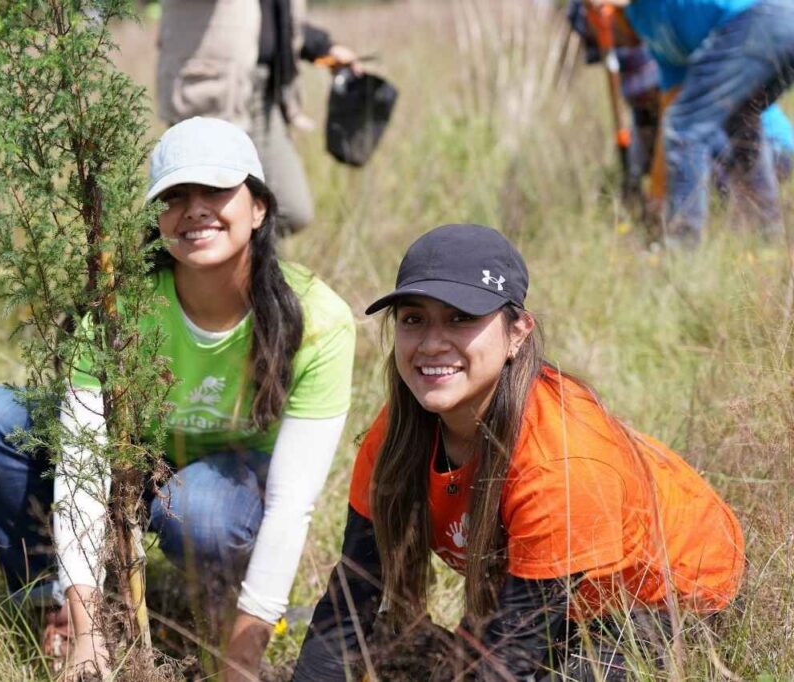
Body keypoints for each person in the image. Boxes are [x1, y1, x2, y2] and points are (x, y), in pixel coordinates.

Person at [0, 117, 356, 680]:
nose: (194, 209)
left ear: (259, 207)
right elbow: (85, 465)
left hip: (225, 489)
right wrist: (91, 631)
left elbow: (291, 504)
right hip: (129, 464)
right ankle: (59, 609)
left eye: (216, 190)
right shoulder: (119, 308)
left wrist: (244, 658)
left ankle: (215, 613)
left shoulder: (319, 320)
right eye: (174, 196)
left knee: (200, 507)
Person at [292, 224, 745, 680]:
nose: (431, 343)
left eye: (460, 318)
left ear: (517, 333)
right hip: (539, 596)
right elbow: (349, 603)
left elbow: (507, 665)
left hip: (668, 606)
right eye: (414, 319)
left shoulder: (561, 461)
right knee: (383, 642)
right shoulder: (396, 434)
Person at [595, 0, 794, 246]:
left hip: (763, 15)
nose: (611, 36)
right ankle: (768, 236)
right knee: (738, 119)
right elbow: (670, 118)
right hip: (772, 24)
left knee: (688, 127)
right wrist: (657, 196)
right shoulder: (653, 35)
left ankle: (683, 247)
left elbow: (682, 128)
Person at [156, 0, 360, 235]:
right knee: (203, 217)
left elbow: (273, 13)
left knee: (290, 209)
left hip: (264, 93)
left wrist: (321, 46)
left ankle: (251, 269)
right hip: (208, 93)